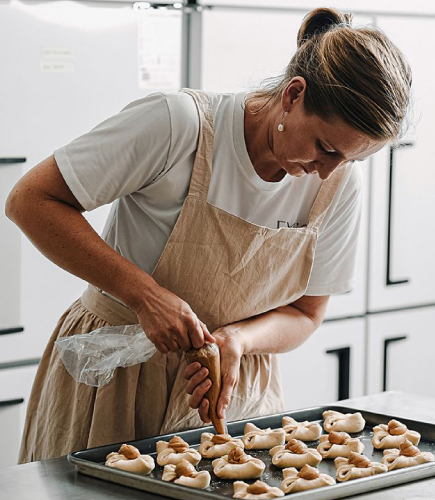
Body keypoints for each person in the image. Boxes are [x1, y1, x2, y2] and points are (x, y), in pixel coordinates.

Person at [6, 7, 411, 463]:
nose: (328, 171)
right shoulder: (179, 125)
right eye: (325, 147)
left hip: (232, 390)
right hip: (115, 381)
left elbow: (306, 312)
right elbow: (30, 201)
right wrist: (145, 296)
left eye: (350, 160)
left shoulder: (337, 184)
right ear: (294, 95)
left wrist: (237, 341)